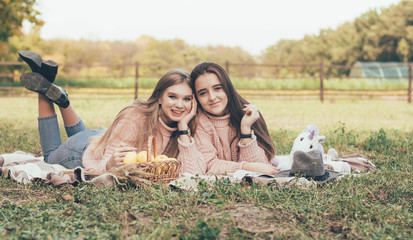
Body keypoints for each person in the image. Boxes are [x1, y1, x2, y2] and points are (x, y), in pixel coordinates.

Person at [18, 51, 196, 173]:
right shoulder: (136, 117)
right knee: (49, 158)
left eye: (187, 99)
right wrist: (110, 165)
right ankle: (44, 86)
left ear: (193, 102)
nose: (180, 105)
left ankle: (62, 98)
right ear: (159, 97)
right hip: (81, 153)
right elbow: (103, 163)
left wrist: (183, 128)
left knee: (86, 139)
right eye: (173, 97)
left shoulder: (187, 125)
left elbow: (190, 173)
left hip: (97, 138)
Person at [177, 62, 278, 175]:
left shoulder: (248, 115)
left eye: (217, 88)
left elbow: (262, 169)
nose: (212, 97)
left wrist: (246, 131)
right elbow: (208, 165)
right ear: (195, 98)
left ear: (227, 88)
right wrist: (245, 167)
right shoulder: (198, 123)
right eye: (203, 93)